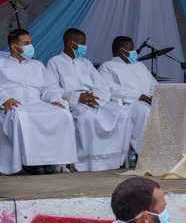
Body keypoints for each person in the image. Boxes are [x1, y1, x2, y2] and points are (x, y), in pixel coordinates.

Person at [46, 28, 133, 172]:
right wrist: (77, 97)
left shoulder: (86, 63)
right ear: (70, 43)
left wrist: (94, 99)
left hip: (96, 102)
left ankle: (116, 160)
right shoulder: (55, 62)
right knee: (87, 117)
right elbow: (51, 88)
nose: (84, 47)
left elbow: (102, 86)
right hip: (75, 104)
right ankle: (88, 163)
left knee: (122, 115)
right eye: (82, 44)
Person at [0, 30, 77, 175]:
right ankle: (28, 163)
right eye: (27, 43)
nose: (31, 46)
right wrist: (5, 98)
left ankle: (51, 161)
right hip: (14, 104)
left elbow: (50, 86)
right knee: (20, 117)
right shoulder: (1, 64)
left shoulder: (37, 65)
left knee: (63, 114)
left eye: (31, 43)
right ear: (14, 47)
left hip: (38, 103)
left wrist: (54, 99)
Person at [98, 36, 157, 158]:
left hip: (149, 101)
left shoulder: (139, 65)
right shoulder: (107, 67)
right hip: (127, 105)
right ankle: (147, 155)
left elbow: (153, 84)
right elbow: (111, 90)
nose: (134, 52)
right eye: (132, 49)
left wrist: (152, 96)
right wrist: (138, 97)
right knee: (143, 111)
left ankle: (167, 153)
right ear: (121, 50)